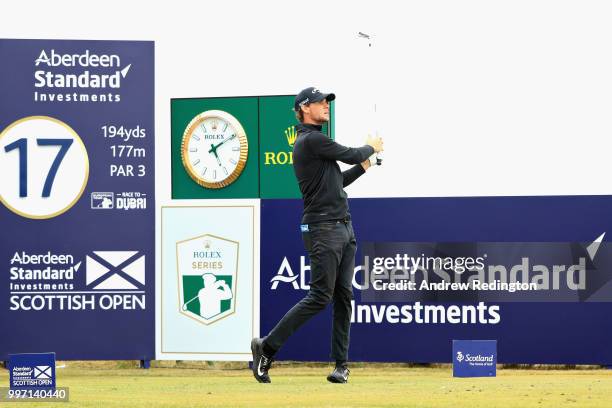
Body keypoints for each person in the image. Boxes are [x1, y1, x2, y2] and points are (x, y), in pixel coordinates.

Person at [251, 87, 384, 383]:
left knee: (343, 296)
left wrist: (366, 165)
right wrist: (370, 148)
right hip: (323, 228)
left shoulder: (316, 144)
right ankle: (266, 347)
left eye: (327, 102)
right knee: (320, 296)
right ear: (304, 108)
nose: (326, 105)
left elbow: (339, 181)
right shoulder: (311, 140)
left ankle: (341, 366)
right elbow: (351, 154)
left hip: (343, 227)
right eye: (320, 102)